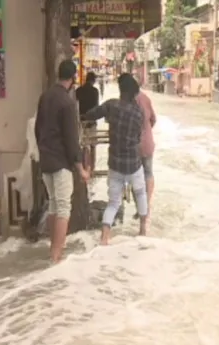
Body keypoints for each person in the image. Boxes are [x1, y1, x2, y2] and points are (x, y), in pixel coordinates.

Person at [82, 73, 148, 245]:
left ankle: (105, 237)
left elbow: (90, 114)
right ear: (133, 93)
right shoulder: (138, 113)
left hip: (115, 164)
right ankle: (143, 230)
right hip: (133, 164)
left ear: (120, 91)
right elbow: (138, 137)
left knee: (113, 203)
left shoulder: (111, 105)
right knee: (140, 194)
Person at [35, 60, 90, 263]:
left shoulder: (45, 97)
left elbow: (38, 129)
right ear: (73, 78)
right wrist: (81, 168)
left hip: (46, 160)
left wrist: (43, 150)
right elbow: (71, 139)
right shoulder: (67, 103)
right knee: (64, 207)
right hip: (60, 163)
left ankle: (53, 249)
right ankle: (56, 255)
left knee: (53, 206)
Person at [133, 84, 156, 221]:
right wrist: (146, 131)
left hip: (134, 145)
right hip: (147, 143)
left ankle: (140, 208)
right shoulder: (146, 98)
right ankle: (146, 206)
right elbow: (153, 119)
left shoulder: (127, 100)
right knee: (148, 173)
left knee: (134, 175)